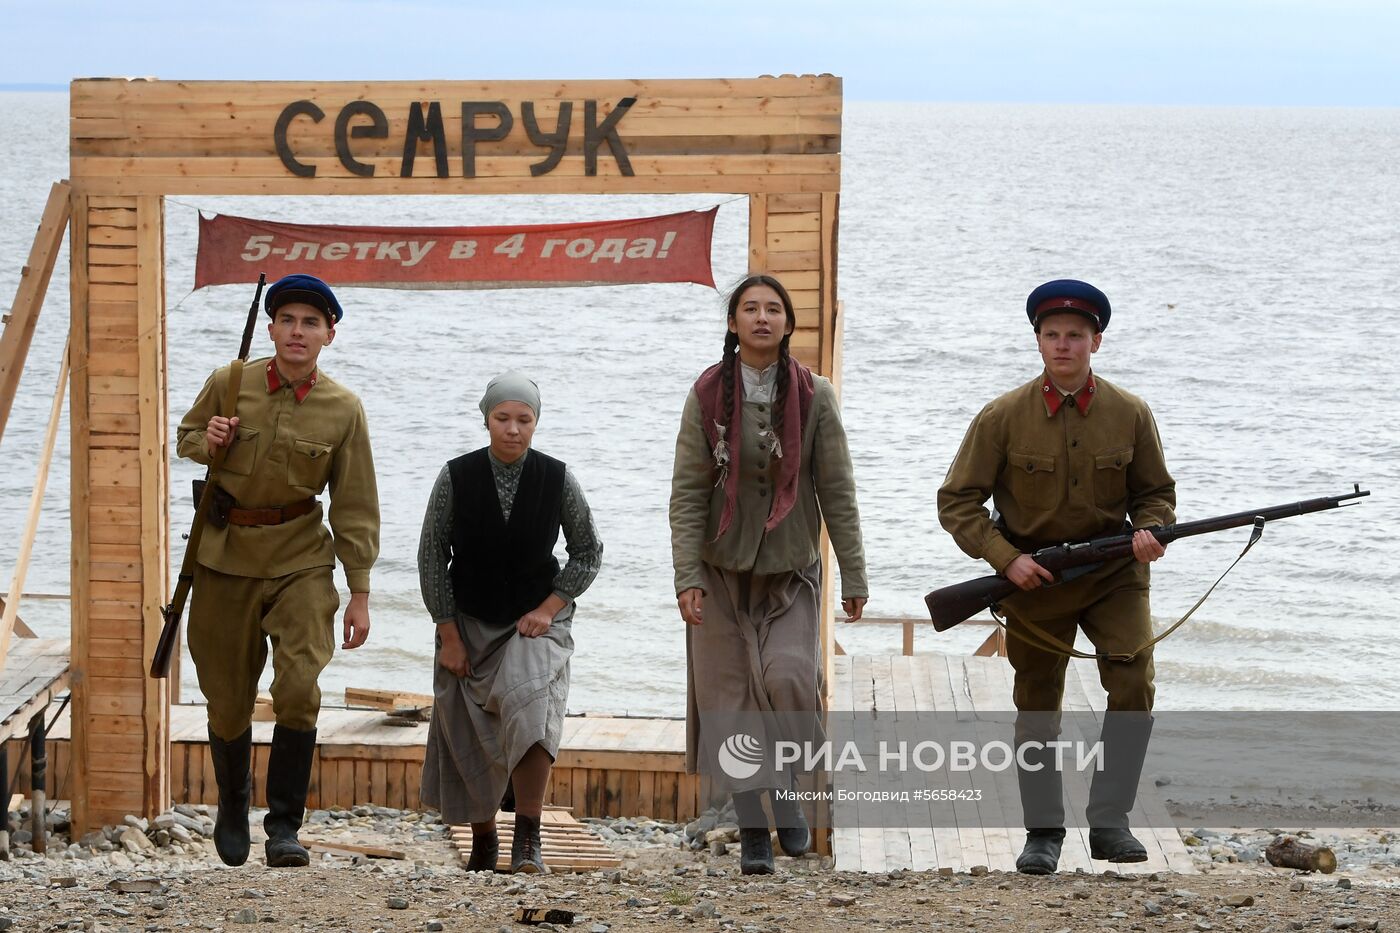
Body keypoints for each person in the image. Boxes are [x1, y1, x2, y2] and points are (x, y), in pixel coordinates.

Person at [937, 279, 1176, 874]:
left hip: (1114, 574)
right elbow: (957, 502)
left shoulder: (1131, 413)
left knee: (1133, 682)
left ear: (1097, 340)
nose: (1063, 345)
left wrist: (1151, 532)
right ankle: (1043, 831)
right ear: (1038, 342)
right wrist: (1006, 559)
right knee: (1038, 701)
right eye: (1052, 335)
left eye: (1075, 335)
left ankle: (1110, 822)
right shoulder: (1002, 417)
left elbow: (1155, 495)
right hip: (1033, 578)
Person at [176, 273, 380, 868]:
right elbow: (185, 437)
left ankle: (285, 825)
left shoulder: (343, 407)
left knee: (298, 687)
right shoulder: (228, 382)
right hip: (223, 558)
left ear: (329, 335)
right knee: (226, 698)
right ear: (271, 328)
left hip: (301, 559)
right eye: (287, 320)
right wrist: (208, 438)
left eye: (310, 323)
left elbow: (356, 503)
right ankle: (233, 804)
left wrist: (359, 590)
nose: (298, 331)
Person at [670, 274, 868, 875]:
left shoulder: (816, 395)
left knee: (790, 678)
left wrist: (854, 575)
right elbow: (686, 493)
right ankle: (755, 825)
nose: (761, 317)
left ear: (788, 323)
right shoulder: (705, 394)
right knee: (729, 698)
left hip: (790, 573)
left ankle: (787, 791)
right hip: (720, 572)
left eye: (773, 309)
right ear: (733, 323)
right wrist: (686, 576)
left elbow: (837, 490)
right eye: (749, 309)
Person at [418, 372, 603, 874]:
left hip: (535, 621)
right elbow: (432, 555)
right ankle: (482, 838)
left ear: (537, 423)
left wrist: (549, 608)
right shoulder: (455, 476)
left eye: (524, 420)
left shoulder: (558, 477)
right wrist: (448, 633)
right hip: (470, 620)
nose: (513, 429)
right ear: (486, 420)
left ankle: (528, 839)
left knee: (533, 705)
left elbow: (588, 551)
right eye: (503, 418)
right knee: (464, 722)